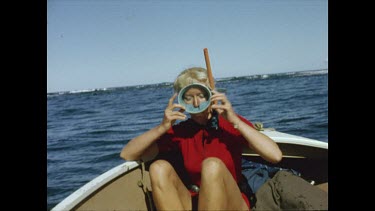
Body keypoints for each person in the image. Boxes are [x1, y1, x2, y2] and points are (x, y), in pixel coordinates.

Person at [120, 67, 328, 210]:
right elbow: (127, 154)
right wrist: (163, 127)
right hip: (197, 200)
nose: (195, 101)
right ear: (181, 101)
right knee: (158, 167)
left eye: (201, 95)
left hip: (234, 202)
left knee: (211, 165)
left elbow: (274, 155)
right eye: (188, 96)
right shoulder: (180, 132)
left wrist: (233, 118)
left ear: (211, 95)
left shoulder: (229, 123)